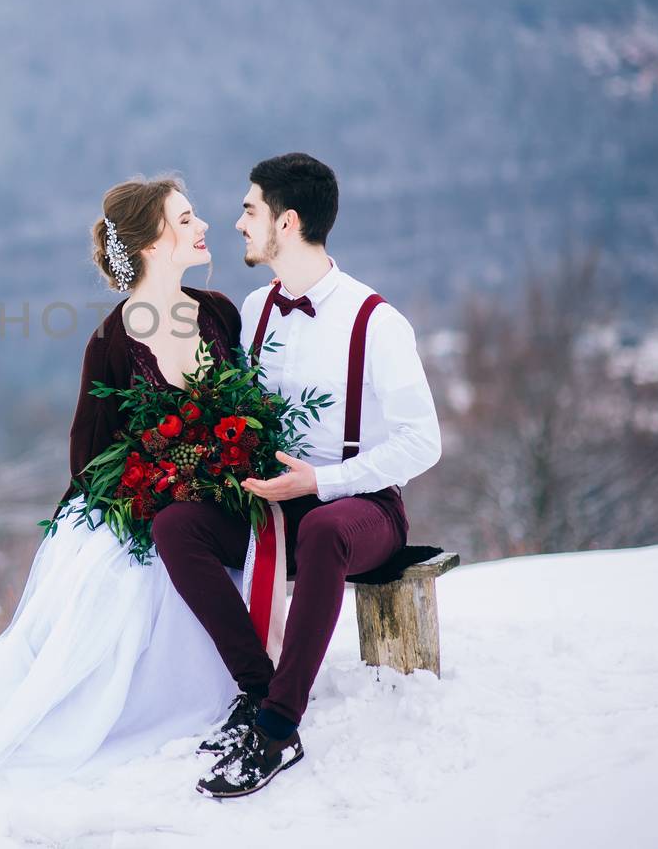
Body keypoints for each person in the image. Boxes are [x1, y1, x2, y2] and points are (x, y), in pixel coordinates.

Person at [0, 173, 250, 785]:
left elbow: (250, 408)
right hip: (147, 511)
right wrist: (147, 491)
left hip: (226, 505)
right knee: (120, 595)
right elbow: (90, 453)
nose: (203, 226)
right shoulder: (112, 341)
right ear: (151, 243)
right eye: (186, 218)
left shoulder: (221, 313)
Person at [151, 152, 443, 798]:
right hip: (272, 504)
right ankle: (259, 690)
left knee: (323, 531)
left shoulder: (376, 321)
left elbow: (425, 442)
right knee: (175, 525)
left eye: (249, 210)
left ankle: (279, 729)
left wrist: (323, 482)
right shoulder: (253, 310)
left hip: (361, 511)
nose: (237, 223)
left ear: (286, 222)